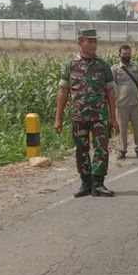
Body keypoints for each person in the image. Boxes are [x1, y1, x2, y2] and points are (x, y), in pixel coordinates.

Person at [54, 29, 119, 197]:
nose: (93, 44)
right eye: (89, 41)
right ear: (80, 42)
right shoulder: (71, 65)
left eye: (94, 41)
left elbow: (111, 92)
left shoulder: (103, 65)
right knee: (81, 149)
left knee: (101, 149)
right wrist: (58, 118)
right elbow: (63, 91)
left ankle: (98, 183)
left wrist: (113, 118)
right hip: (79, 116)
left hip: (99, 116)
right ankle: (86, 182)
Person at [112, 44, 138, 159]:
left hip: (136, 103)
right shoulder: (115, 69)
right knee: (121, 130)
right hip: (121, 104)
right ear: (120, 55)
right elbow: (110, 87)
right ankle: (122, 150)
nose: (126, 56)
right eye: (124, 54)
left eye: (128, 54)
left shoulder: (136, 67)